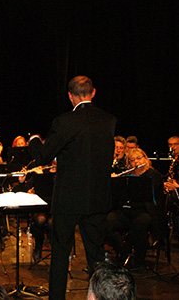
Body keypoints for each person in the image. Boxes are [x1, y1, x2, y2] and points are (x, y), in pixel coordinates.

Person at [28, 75, 116, 300]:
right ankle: (100, 296)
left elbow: (43, 156)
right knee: (96, 255)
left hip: (68, 199)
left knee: (60, 252)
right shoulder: (109, 120)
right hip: (97, 198)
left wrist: (34, 139)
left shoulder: (65, 121)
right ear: (93, 92)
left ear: (70, 96)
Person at [106, 148, 165, 270]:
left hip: (146, 211)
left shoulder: (154, 175)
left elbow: (150, 196)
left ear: (145, 159)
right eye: (132, 160)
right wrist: (115, 181)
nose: (136, 162)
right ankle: (123, 252)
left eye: (139, 158)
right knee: (107, 223)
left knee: (140, 224)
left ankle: (139, 259)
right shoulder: (127, 176)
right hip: (127, 210)